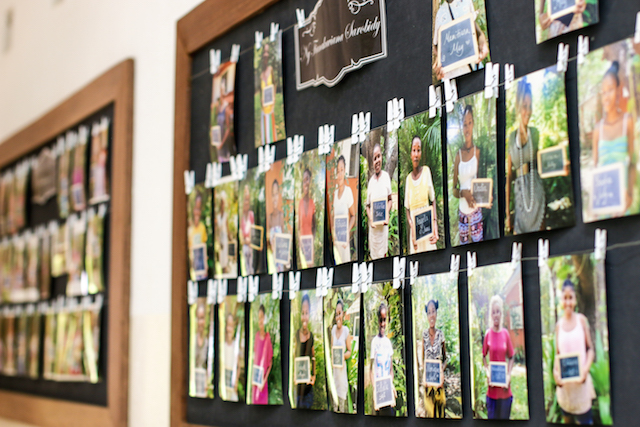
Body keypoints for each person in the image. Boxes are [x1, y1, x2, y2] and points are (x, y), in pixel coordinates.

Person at [591, 61, 635, 216]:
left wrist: (630, 194)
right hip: (605, 202)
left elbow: (632, 163)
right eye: (603, 92)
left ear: (618, 90)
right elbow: (595, 169)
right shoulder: (598, 129)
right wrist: (595, 204)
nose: (606, 96)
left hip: (623, 201)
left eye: (610, 90)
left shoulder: (627, 121)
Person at [506, 78, 545, 235]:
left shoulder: (535, 133)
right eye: (524, 106)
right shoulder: (511, 138)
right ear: (518, 107)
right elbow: (509, 176)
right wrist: (507, 213)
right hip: (520, 196)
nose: (528, 111)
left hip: (536, 191)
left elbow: (542, 163)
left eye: (530, 106)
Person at [554, 280, 595, 425]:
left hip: (582, 392)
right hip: (565, 393)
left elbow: (590, 350)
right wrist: (555, 373)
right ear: (561, 300)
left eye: (570, 297)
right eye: (564, 298)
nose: (567, 302)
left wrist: (585, 370)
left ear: (575, 299)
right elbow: (557, 355)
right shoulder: (558, 326)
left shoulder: (582, 321)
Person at [452, 106, 491, 244]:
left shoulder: (477, 152)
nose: (467, 128)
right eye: (464, 124)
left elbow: (480, 184)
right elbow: (454, 190)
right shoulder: (458, 156)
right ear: (462, 128)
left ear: (473, 124)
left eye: (469, 123)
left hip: (476, 213)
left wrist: (486, 198)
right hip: (462, 214)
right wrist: (463, 193)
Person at [432, 0, 489, 80]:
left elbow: (476, 30)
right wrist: (440, 63)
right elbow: (436, 46)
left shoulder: (466, 2)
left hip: (472, 70)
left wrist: (482, 43)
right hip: (451, 77)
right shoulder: (440, 14)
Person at [405, 136, 439, 253]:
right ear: (410, 154)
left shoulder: (426, 171)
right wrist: (412, 229)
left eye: (418, 150)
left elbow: (433, 200)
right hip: (415, 234)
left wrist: (435, 226)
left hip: (428, 229)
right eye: (413, 150)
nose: (416, 154)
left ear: (421, 153)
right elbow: (407, 209)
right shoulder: (408, 179)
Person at [482, 295, 515, 420]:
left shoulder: (505, 334)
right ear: (491, 315)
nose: (496, 315)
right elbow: (483, 356)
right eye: (493, 312)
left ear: (501, 314)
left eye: (498, 312)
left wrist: (509, 375)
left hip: (505, 391)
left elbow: (511, 356)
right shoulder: (488, 334)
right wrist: (487, 371)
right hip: (492, 392)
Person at [366, 143, 392, 260]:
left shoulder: (386, 177)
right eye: (374, 158)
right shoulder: (371, 182)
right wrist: (371, 219)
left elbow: (390, 200)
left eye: (378, 157)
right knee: (374, 258)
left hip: (383, 230)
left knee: (383, 258)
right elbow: (367, 206)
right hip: (374, 232)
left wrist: (387, 214)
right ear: (372, 162)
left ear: (382, 157)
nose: (377, 161)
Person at [370, 302, 396, 416]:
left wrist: (391, 385)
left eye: (384, 320)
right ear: (378, 320)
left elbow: (391, 369)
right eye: (381, 320)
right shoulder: (374, 342)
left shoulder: (388, 343)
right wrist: (375, 389)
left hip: (388, 392)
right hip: (379, 393)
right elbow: (371, 370)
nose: (382, 324)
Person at [422, 300, 446, 418]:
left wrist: (441, 371)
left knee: (440, 416)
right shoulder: (424, 335)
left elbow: (445, 359)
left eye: (433, 311)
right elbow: (423, 360)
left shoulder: (441, 334)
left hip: (439, 384)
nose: (431, 315)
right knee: (429, 416)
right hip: (428, 385)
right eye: (429, 312)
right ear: (427, 316)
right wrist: (424, 375)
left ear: (436, 313)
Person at [332, 156, 356, 264]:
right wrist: (333, 234)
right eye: (338, 171)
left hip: (344, 242)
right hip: (336, 242)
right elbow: (334, 217)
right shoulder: (335, 194)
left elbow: (353, 216)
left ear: (345, 171)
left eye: (341, 170)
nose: (340, 174)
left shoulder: (348, 191)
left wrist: (347, 232)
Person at [331, 299, 352, 413]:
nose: (338, 317)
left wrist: (342, 356)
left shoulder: (346, 331)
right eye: (336, 314)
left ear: (343, 314)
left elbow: (349, 351)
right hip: (334, 376)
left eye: (339, 313)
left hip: (342, 375)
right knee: (334, 408)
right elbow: (331, 351)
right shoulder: (333, 330)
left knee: (342, 409)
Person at [295, 293, 316, 408]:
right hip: (297, 389)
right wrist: (294, 376)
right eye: (302, 313)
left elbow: (313, 357)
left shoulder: (311, 336)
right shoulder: (296, 335)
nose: (304, 316)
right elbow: (294, 356)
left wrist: (314, 376)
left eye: (306, 313)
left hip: (308, 389)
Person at [252, 305, 273, 405]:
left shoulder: (267, 338)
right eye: (258, 318)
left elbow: (270, 363)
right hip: (255, 382)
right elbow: (254, 360)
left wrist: (264, 381)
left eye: (262, 317)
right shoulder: (256, 336)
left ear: (265, 318)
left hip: (263, 384)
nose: (260, 320)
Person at [259, 42, 278, 145]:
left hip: (271, 103)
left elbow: (274, 83)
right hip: (264, 106)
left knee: (271, 130)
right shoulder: (261, 74)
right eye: (264, 52)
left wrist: (274, 98)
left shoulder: (271, 69)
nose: (266, 55)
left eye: (267, 52)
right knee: (265, 132)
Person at [298, 169, 316, 267]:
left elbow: (314, 226)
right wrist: (299, 243)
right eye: (303, 180)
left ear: (310, 181)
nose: (305, 183)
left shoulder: (312, 203)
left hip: (309, 242)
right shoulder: (300, 203)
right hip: (301, 242)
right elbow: (298, 227)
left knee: (310, 267)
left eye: (307, 179)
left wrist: (312, 242)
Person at [188, 193, 208, 280]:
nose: (197, 213)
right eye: (196, 209)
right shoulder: (190, 230)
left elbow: (204, 246)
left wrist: (205, 264)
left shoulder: (202, 227)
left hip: (202, 263)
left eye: (199, 209)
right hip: (194, 264)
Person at [268, 179, 286, 271]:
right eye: (273, 194)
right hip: (272, 257)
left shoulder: (281, 216)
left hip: (281, 257)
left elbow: (284, 239)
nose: (274, 198)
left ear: (279, 196)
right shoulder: (270, 218)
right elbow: (268, 239)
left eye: (276, 194)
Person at [223, 312, 240, 401]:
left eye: (231, 326)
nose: (229, 329)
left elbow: (238, 367)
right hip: (222, 386)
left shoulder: (235, 347)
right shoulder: (222, 345)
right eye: (228, 326)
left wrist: (235, 382)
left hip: (231, 386)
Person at [240, 185, 255, 275]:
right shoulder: (241, 217)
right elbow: (241, 233)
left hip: (251, 245)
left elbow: (253, 230)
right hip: (245, 245)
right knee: (246, 267)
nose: (246, 203)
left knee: (251, 266)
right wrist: (244, 241)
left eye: (248, 200)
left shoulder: (251, 214)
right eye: (245, 200)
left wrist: (250, 240)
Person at [215, 192, 230, 274]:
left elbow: (227, 228)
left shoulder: (226, 215)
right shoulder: (218, 216)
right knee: (221, 255)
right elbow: (217, 229)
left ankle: (225, 270)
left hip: (225, 237)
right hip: (220, 237)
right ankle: (222, 271)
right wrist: (218, 239)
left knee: (225, 254)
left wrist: (230, 237)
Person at [194, 302, 209, 370]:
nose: (201, 322)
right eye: (199, 318)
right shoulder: (192, 341)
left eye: (202, 318)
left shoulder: (207, 343)